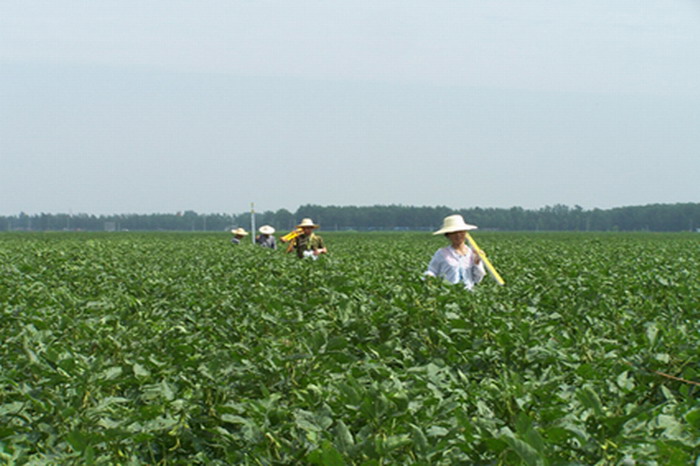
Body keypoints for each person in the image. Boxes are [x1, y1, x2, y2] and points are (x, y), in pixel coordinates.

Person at [425, 214, 485, 290]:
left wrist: (477, 262)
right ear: (448, 235)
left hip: (468, 293)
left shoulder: (472, 253)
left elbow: (477, 279)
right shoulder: (442, 253)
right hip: (448, 292)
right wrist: (429, 280)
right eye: (454, 232)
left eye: (461, 232)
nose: (458, 235)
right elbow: (432, 271)